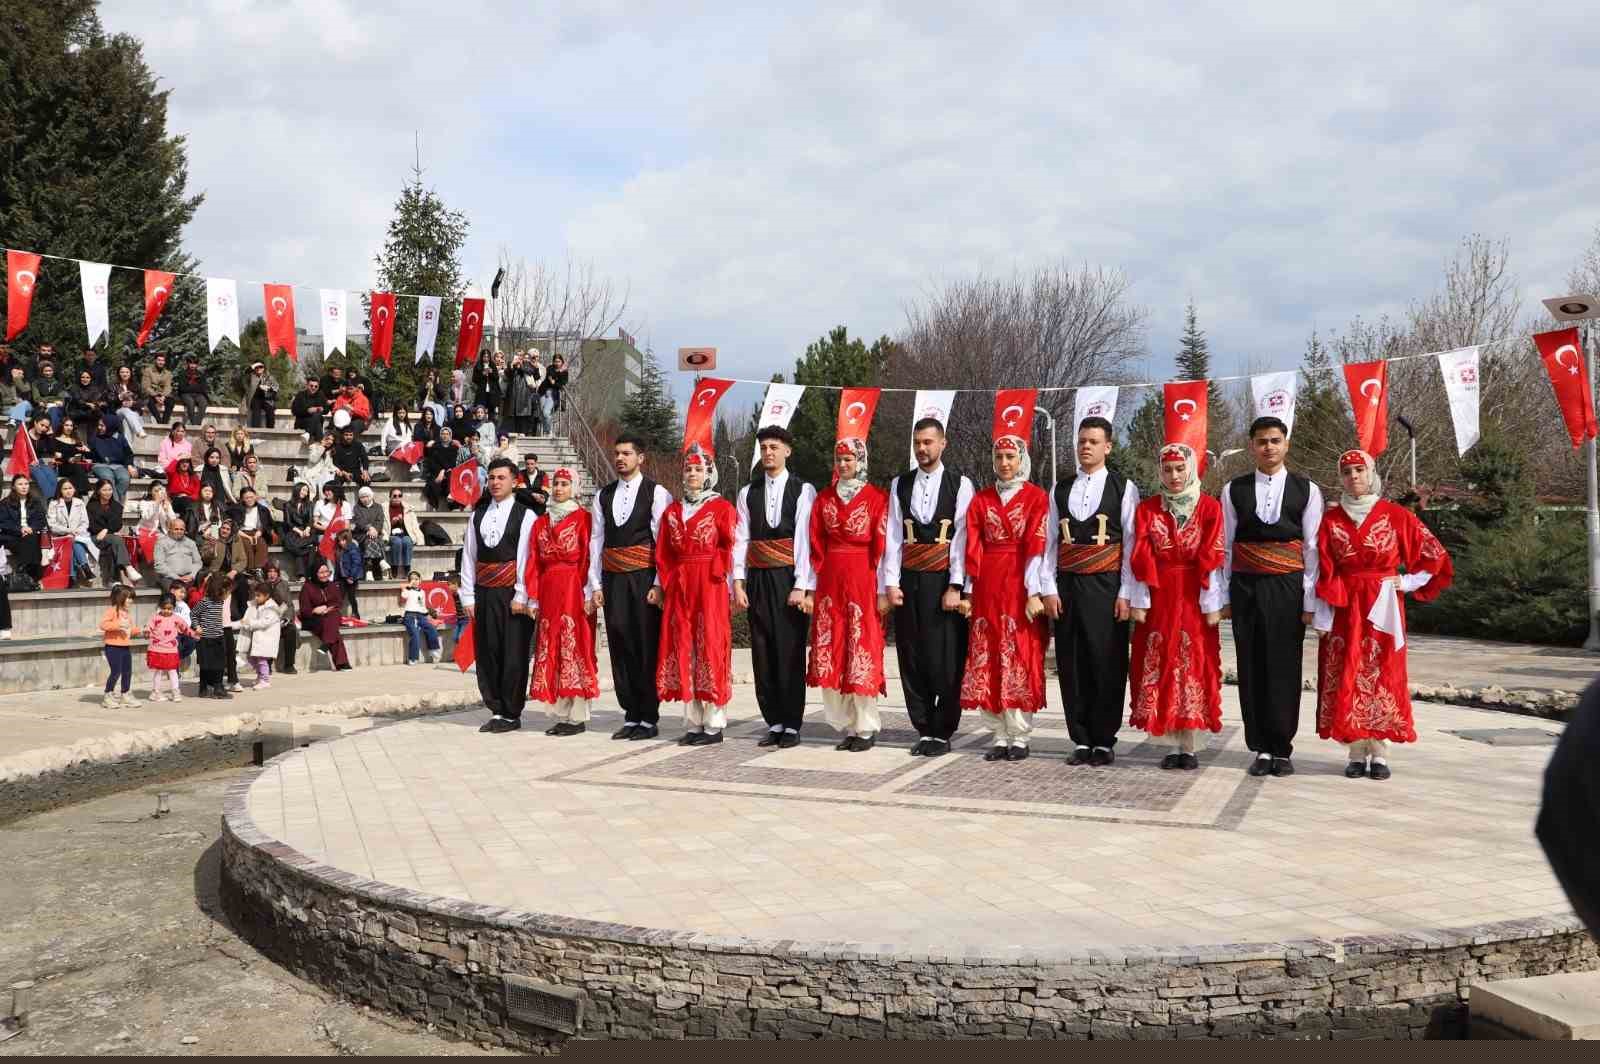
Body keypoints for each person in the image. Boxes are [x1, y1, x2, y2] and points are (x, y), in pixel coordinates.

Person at [1312, 449, 1454, 781]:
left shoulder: (1396, 516)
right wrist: (1321, 609)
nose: (1354, 477)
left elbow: (1434, 555)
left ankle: (1380, 751)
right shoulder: (1330, 520)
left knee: (1382, 670)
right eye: (1347, 472)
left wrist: (1405, 581)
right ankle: (1355, 749)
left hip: (1383, 605)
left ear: (1371, 473)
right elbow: (1320, 566)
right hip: (1345, 605)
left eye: (1360, 470)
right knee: (1346, 668)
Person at [1221, 416, 1325, 779]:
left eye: (1275, 440)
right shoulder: (1234, 489)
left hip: (1287, 586)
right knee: (1251, 666)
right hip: (1246, 584)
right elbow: (1227, 547)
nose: (1269, 447)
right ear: (1251, 446)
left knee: (1284, 666)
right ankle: (1260, 747)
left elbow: (1312, 549)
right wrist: (1224, 595)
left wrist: (1310, 602)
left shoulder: (1307, 490)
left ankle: (1282, 747)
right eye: (1262, 441)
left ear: (1286, 444)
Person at [1038, 415, 1140, 767]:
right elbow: (1048, 543)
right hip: (1067, 584)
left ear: (1107, 446)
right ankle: (1080, 739)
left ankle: (1103, 738)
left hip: (1106, 584)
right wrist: (1047, 588)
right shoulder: (1060, 489)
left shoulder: (1123, 488)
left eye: (1093, 441)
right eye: (1082, 440)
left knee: (1106, 660)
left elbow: (1131, 542)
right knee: (1072, 661)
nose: (1086, 446)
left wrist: (1127, 591)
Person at [1125, 444, 1226, 768]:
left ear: (1192, 469)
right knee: (1163, 659)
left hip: (1195, 594)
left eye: (1180, 469)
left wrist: (1213, 603)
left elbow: (1213, 555)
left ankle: (1190, 742)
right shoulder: (1148, 509)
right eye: (1168, 470)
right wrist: (1139, 600)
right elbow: (1140, 554)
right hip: (1161, 594)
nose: (1174, 476)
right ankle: (1170, 742)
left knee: (1193, 661)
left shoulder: (1210, 508)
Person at [959, 415, 1051, 762]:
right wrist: (969, 591)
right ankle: (998, 734)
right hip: (988, 585)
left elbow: (1037, 546)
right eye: (999, 458)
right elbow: (972, 547)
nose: (1004, 463)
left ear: (1022, 460)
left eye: (1011, 457)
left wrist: (1033, 591)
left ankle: (1020, 735)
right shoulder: (981, 500)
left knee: (1019, 653)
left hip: (1018, 584)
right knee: (990, 653)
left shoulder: (1036, 498)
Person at [880, 418, 971, 757]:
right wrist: (890, 582)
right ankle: (923, 728)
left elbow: (962, 538)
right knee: (912, 656)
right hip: (909, 579)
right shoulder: (899, 484)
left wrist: (956, 585)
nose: (922, 448)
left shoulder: (959, 485)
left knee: (945, 658)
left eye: (928, 442)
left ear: (942, 443)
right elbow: (892, 536)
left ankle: (943, 729)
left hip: (942, 581)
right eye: (918, 442)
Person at [804, 436, 889, 753]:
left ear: (861, 461)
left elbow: (883, 547)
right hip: (830, 582)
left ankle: (865, 727)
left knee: (860, 647)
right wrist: (811, 587)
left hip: (862, 578)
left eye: (849, 459)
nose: (843, 465)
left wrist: (882, 587)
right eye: (839, 459)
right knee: (834, 648)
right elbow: (814, 543)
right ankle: (846, 724)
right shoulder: (824, 499)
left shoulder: (877, 499)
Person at [732, 425, 815, 748]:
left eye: (774, 447)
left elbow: (806, 540)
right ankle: (774, 721)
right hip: (758, 579)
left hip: (788, 578)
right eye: (764, 447)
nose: (768, 453)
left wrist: (802, 584)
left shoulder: (802, 489)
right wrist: (738, 582)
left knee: (789, 650)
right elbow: (741, 539)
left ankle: (792, 723)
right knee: (763, 651)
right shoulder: (747, 493)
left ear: (787, 451)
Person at [588, 435, 673, 740]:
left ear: (641, 458)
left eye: (627, 453)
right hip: (613, 579)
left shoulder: (656, 493)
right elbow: (596, 540)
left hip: (644, 578)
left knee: (645, 645)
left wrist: (659, 583)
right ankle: (631, 713)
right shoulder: (602, 495)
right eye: (617, 453)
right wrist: (595, 583)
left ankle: (648, 716)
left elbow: (664, 540)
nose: (620, 458)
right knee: (620, 643)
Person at [657, 444, 738, 746]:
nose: (692, 474)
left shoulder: (722, 508)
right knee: (685, 647)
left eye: (698, 469)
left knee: (711, 644)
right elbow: (664, 552)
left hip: (710, 583)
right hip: (681, 584)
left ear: (709, 474)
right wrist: (665, 585)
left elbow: (731, 545)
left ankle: (714, 723)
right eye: (688, 469)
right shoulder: (673, 511)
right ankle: (693, 721)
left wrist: (726, 580)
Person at [520, 469, 599, 734]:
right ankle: (560, 714)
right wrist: (532, 596)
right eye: (556, 484)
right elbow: (533, 562)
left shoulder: (583, 519)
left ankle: (576, 716)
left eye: (565, 484)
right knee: (550, 644)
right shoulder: (541, 523)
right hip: (549, 589)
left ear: (574, 488)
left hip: (574, 587)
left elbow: (589, 557)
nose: (559, 489)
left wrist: (589, 592)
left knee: (574, 645)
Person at [462, 457, 537, 733]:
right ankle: (496, 709)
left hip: (513, 595)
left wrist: (522, 593)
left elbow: (526, 558)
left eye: (501, 477)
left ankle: (512, 711)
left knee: (514, 653)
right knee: (488, 651)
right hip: (484, 592)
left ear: (515, 481)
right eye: (491, 477)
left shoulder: (525, 515)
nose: (495, 482)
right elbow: (469, 557)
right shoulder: (477, 515)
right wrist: (468, 596)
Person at [298, 559, 351, 670]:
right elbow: (304, 610)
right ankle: (342, 663)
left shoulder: (332, 585)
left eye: (327, 572)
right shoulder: (307, 588)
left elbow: (338, 602)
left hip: (330, 615)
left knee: (333, 615)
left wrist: (327, 608)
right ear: (315, 574)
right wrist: (314, 610)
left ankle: (327, 643)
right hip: (313, 619)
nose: (325, 575)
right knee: (333, 629)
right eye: (321, 573)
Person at [88, 479, 141, 585]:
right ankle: (128, 567)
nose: (108, 492)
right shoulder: (91, 506)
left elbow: (118, 524)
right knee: (116, 539)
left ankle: (114, 580)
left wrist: (106, 530)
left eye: (110, 489)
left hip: (109, 538)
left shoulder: (117, 506)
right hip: (94, 538)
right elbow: (91, 525)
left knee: (113, 544)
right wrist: (103, 531)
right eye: (104, 490)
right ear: (98, 491)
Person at [0, 474, 48, 590]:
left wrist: (32, 528)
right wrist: (20, 529)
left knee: (31, 539)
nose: (24, 487)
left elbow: (41, 520)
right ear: (13, 487)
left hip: (30, 534)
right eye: (20, 484)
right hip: (11, 536)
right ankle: (34, 577)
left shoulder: (35, 502)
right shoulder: (5, 503)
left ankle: (24, 571)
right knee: (31, 542)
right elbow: (3, 522)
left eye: (26, 484)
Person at [96, 584, 142, 707]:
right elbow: (103, 625)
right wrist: (118, 625)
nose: (130, 601)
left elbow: (129, 630)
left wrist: (140, 630)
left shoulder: (126, 613)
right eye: (128, 598)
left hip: (125, 646)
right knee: (116, 671)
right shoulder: (112, 611)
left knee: (127, 671)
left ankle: (125, 694)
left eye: (132, 598)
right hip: (112, 647)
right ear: (119, 597)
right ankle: (108, 695)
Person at [47, 479, 97, 587]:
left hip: (78, 536)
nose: (68, 491)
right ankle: (84, 568)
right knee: (72, 543)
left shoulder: (79, 502)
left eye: (70, 488)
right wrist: (69, 531)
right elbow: (52, 525)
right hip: (60, 537)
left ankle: (72, 578)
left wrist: (77, 532)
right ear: (60, 490)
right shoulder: (54, 503)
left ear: (74, 489)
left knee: (73, 542)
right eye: (65, 489)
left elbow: (85, 523)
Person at [144, 592, 190, 702]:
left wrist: (193, 633)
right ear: (160, 606)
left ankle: (175, 692)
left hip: (171, 650)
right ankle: (155, 692)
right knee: (158, 671)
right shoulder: (155, 617)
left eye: (170, 609)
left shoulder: (176, 618)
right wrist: (146, 632)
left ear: (174, 607)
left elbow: (185, 627)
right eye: (164, 608)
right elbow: (148, 627)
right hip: (157, 649)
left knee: (173, 671)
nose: (167, 611)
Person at [193, 571, 233, 699]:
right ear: (219, 590)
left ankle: (218, 687)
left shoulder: (220, 602)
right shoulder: (204, 602)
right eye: (226, 591)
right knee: (206, 665)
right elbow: (193, 614)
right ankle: (203, 687)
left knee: (220, 664)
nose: (228, 594)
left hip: (219, 638)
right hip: (205, 639)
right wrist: (197, 626)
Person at [238, 581, 284, 689]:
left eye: (259, 595)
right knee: (252, 659)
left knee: (262, 660)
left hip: (266, 639)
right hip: (257, 638)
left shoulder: (272, 608)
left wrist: (250, 623)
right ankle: (260, 676)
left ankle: (265, 679)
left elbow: (264, 623)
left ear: (267, 595)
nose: (256, 597)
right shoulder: (255, 605)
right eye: (255, 595)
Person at [260, 562, 299, 675]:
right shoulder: (262, 586)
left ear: (278, 573)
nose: (272, 574)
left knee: (291, 630)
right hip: (267, 621)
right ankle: (267, 665)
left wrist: (286, 618)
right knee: (267, 632)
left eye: (274, 572)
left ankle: (289, 665)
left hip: (282, 620)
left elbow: (289, 605)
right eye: (269, 572)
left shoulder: (284, 584)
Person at [399, 571, 442, 665]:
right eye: (412, 579)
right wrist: (408, 585)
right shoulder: (408, 590)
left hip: (421, 615)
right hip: (410, 615)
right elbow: (404, 596)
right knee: (415, 633)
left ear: (420, 580)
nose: (414, 581)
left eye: (416, 579)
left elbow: (422, 606)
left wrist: (428, 616)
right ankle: (413, 657)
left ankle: (433, 650)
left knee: (431, 628)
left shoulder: (422, 592)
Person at [88, 418, 133, 502]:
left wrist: (129, 465)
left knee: (124, 478)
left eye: (102, 425)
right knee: (108, 477)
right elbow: (91, 455)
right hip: (100, 465)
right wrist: (87, 452)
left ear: (110, 426)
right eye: (99, 425)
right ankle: (116, 505)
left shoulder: (120, 438)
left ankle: (116, 503)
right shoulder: (95, 437)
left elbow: (128, 454)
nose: (99, 427)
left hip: (118, 465)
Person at [153, 517, 202, 589]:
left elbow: (198, 562)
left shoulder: (191, 543)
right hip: (169, 578)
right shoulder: (161, 543)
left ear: (185, 530)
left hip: (189, 577)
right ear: (170, 529)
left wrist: (192, 575)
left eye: (181, 529)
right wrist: (177, 577)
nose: (179, 531)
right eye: (176, 529)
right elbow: (159, 566)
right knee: (177, 591)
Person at [422, 427, 463, 510]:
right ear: (440, 435)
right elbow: (432, 463)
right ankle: (433, 505)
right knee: (433, 483)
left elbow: (454, 463)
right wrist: (439, 471)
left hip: (449, 473)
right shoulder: (435, 448)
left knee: (452, 476)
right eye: (443, 434)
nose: (445, 436)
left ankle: (453, 506)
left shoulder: (454, 449)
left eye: (447, 434)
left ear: (450, 436)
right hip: (436, 473)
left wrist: (443, 471)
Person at [234, 486, 274, 571]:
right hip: (241, 533)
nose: (249, 499)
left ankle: (258, 569)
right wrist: (247, 537)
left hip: (256, 532)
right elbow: (234, 527)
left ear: (255, 496)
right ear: (242, 499)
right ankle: (250, 569)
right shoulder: (236, 509)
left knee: (261, 543)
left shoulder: (263, 509)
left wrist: (258, 534)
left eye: (251, 497)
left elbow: (265, 525)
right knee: (247, 544)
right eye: (246, 498)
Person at [352, 485, 388, 579]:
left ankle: (369, 571)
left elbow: (380, 521)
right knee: (369, 539)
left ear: (371, 496)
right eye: (362, 497)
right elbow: (359, 521)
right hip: (361, 533)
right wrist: (369, 528)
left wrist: (375, 530)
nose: (364, 499)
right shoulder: (357, 508)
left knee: (370, 540)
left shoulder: (378, 507)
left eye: (366, 496)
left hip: (376, 533)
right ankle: (381, 560)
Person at [384, 486, 422, 574]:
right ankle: (394, 567)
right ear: (390, 497)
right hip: (390, 534)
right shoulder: (384, 508)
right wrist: (392, 522)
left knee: (407, 541)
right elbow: (383, 526)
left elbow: (414, 525)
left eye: (399, 496)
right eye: (394, 496)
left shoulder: (408, 508)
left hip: (405, 534)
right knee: (397, 542)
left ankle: (407, 567)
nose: (397, 498)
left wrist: (402, 522)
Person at [508, 354, 545, 436]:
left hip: (529, 394)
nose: (526, 359)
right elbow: (509, 373)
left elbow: (535, 374)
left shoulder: (529, 366)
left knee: (530, 416)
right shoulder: (515, 366)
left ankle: (529, 433)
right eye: (524, 357)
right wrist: (513, 365)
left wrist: (533, 367)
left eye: (528, 358)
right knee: (518, 416)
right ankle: (520, 432)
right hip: (517, 394)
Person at [335, 527, 363, 618]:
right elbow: (339, 566)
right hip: (343, 578)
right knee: (340, 596)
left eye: (343, 540)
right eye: (339, 541)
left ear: (347, 540)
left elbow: (356, 563)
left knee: (351, 596)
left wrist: (351, 577)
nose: (341, 543)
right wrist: (336, 578)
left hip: (351, 578)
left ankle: (356, 613)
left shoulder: (352, 549)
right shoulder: (340, 551)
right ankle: (336, 614)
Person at [174, 355, 209, 425]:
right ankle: (193, 423)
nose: (192, 366)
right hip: (185, 394)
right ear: (187, 364)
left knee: (203, 402)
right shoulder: (182, 373)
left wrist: (190, 387)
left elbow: (202, 388)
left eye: (194, 364)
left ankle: (197, 423)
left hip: (198, 395)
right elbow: (182, 388)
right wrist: (195, 387)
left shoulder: (200, 374)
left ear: (197, 365)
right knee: (190, 403)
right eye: (191, 363)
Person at [140, 353, 174, 424]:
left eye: (162, 360)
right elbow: (146, 386)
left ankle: (165, 422)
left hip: (163, 394)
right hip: (151, 394)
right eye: (159, 360)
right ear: (155, 360)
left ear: (164, 362)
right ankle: (159, 420)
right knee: (149, 402)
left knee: (171, 401)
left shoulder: (168, 373)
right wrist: (155, 396)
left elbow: (168, 386)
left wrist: (164, 396)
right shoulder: (148, 371)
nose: (161, 362)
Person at [242, 363, 278, 428]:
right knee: (256, 413)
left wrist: (268, 388)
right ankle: (256, 431)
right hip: (255, 398)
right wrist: (252, 366)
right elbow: (244, 374)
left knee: (270, 411)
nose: (258, 369)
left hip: (267, 399)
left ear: (263, 368)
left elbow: (276, 387)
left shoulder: (269, 377)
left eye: (260, 367)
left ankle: (270, 430)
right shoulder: (251, 376)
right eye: (257, 367)